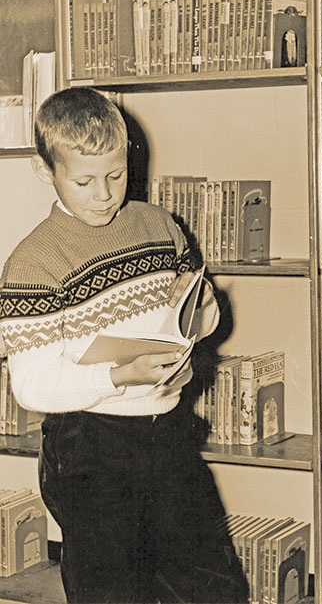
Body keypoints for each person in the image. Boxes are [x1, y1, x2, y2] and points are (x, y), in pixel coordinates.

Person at [0, 87, 248, 604]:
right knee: (111, 593)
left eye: (116, 175)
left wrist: (201, 309)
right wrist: (119, 376)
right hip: (90, 447)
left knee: (213, 588)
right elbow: (31, 385)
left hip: (168, 434)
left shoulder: (159, 226)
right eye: (84, 180)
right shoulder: (34, 262)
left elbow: (202, 319)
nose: (106, 194)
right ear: (46, 172)